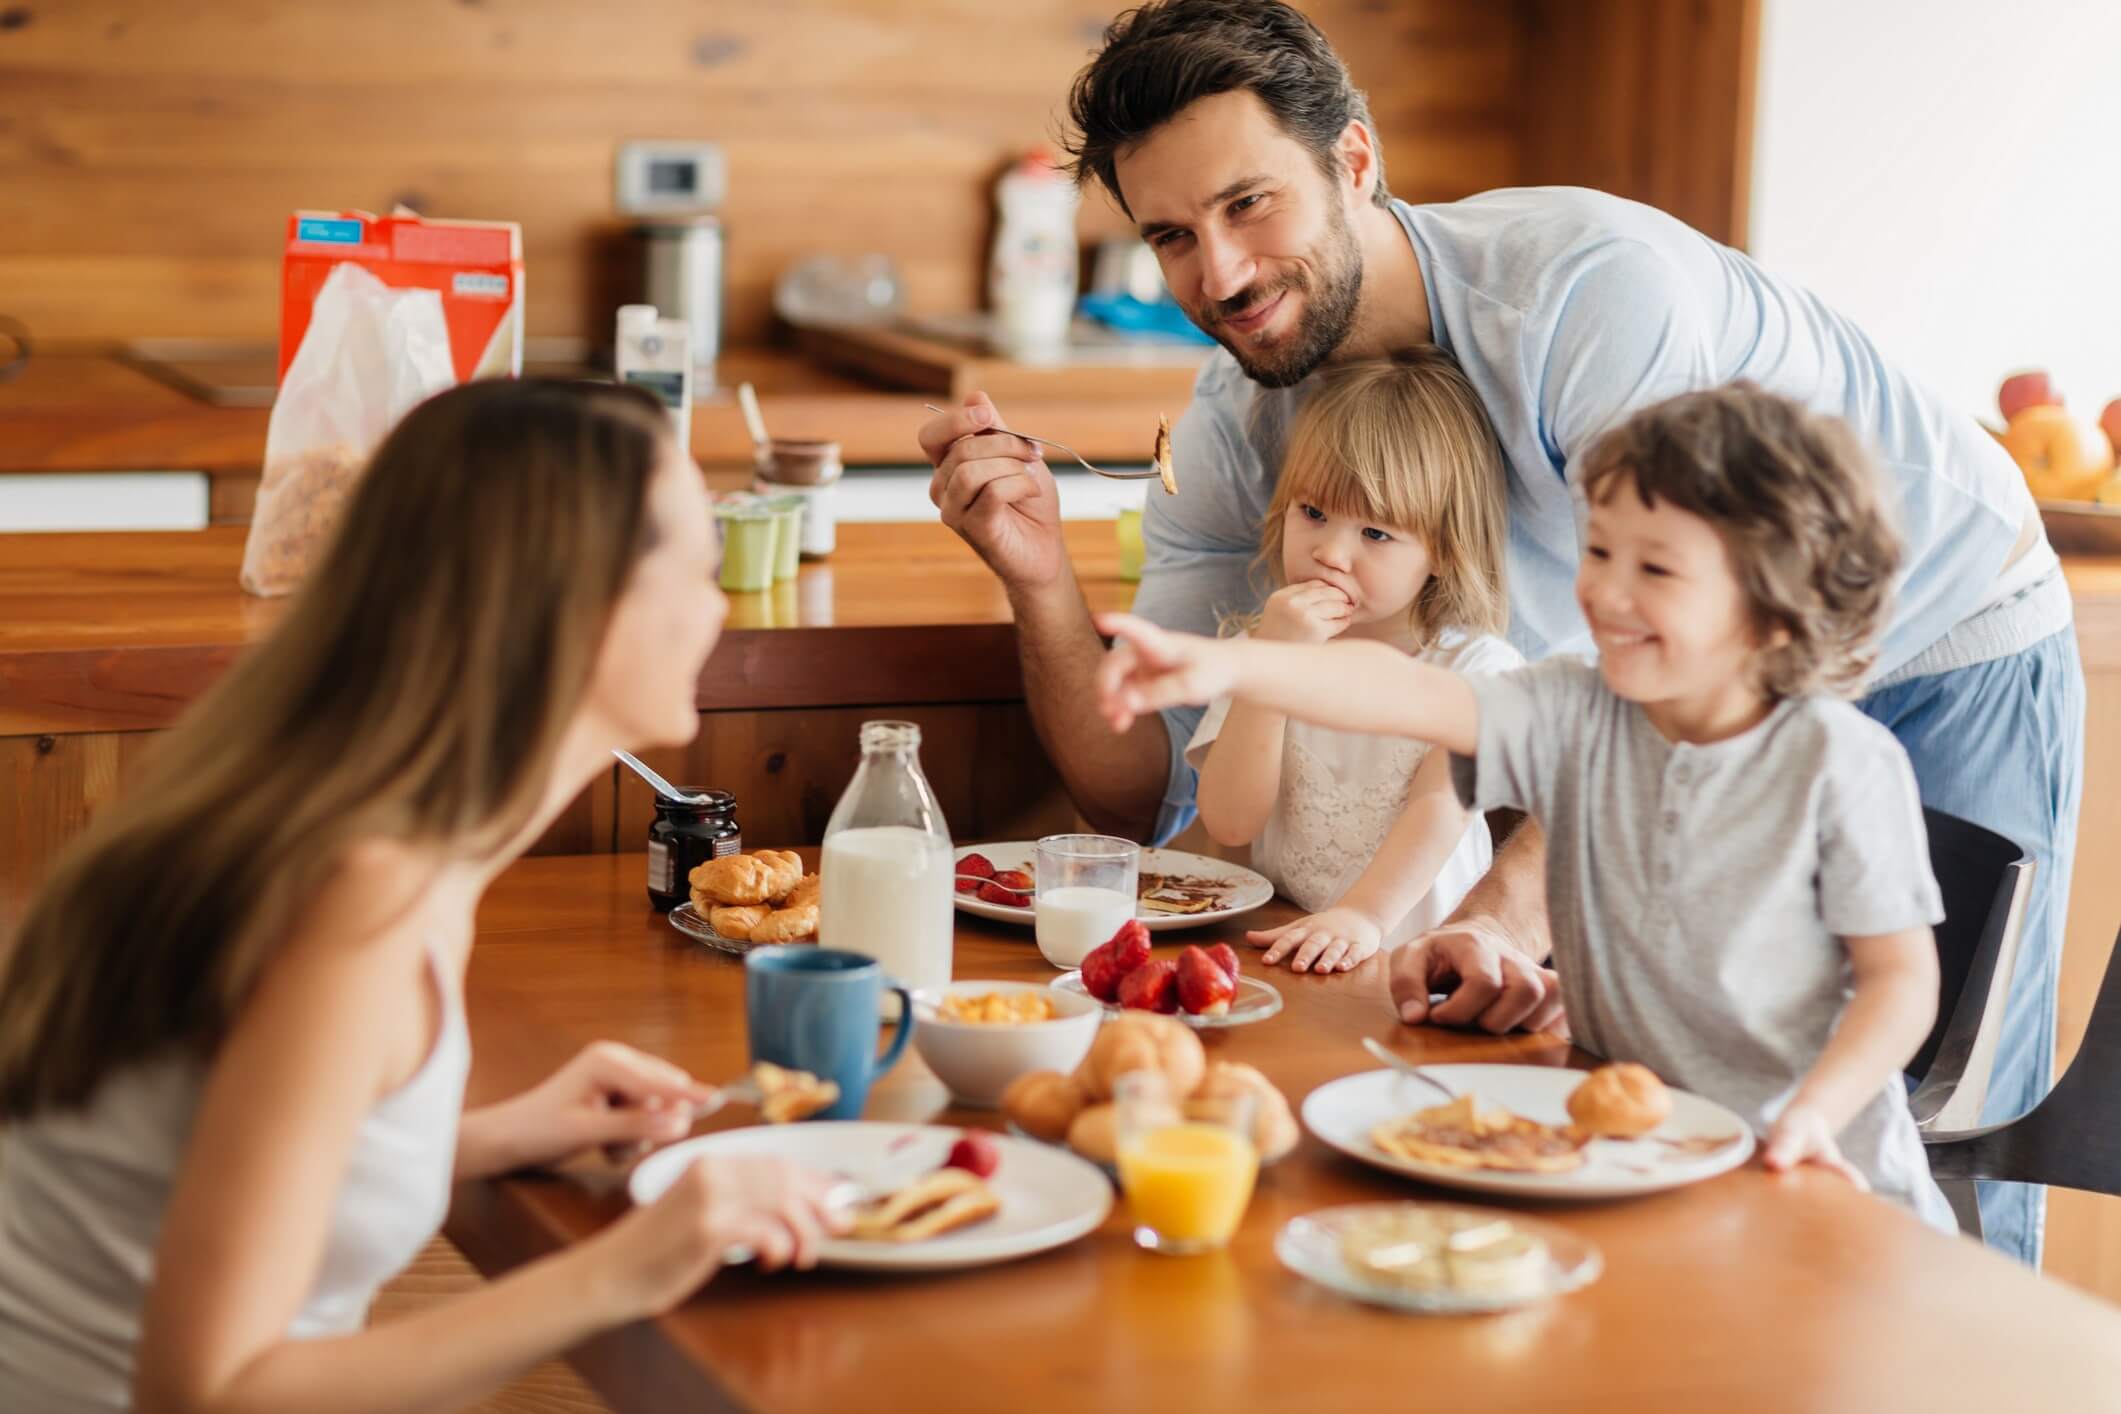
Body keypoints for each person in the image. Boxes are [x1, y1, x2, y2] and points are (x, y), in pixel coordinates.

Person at [918, 0, 2077, 1261]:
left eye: (1250, 205)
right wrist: (1047, 586)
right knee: (1682, 1087)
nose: (1221, 275)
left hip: (1939, 635)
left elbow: (1656, 665)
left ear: (1354, 161)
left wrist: (1501, 915)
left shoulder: (1587, 305)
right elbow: (1161, 774)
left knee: (1939, 1129)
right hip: (1655, 706)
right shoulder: (1250, 418)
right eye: (1172, 238)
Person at [0, 380, 846, 1414]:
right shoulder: (359, 904)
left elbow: (217, 1159)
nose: (721, 608)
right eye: (700, 568)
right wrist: (623, 1270)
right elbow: (208, 1391)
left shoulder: (349, 822)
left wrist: (495, 1134)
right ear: (577, 605)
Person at [1098, 384, 1954, 1227]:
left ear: (1776, 611)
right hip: (1628, 1150)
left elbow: (1901, 982)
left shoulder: (1838, 765)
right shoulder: (1575, 710)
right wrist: (1234, 667)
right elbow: (1401, 692)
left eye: (1653, 568)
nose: (1606, 594)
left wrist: (1814, 1111)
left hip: (1813, 1173)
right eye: (1600, 552)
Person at [1187, 350, 1522, 973]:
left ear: (1444, 551)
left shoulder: (1472, 668)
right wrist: (1275, 665)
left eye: (1375, 534)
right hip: (1286, 947)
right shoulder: (1254, 650)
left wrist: (1364, 915)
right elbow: (1231, 822)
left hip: (1413, 960)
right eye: (1313, 513)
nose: (1331, 553)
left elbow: (1438, 808)